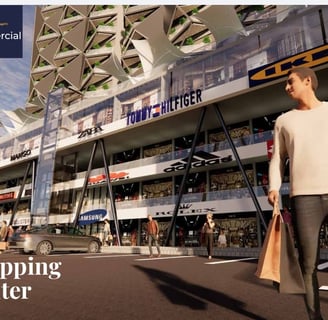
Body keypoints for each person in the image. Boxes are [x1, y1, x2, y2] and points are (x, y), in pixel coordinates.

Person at [268, 66, 327, 320]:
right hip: (303, 199)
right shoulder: (283, 121)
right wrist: (273, 186)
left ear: (307, 81)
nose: (286, 87)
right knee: (308, 266)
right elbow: (277, 160)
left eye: (290, 81)